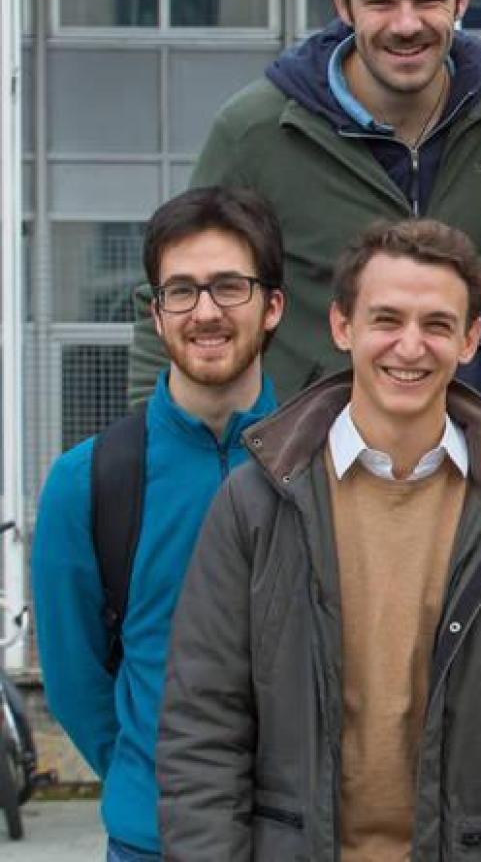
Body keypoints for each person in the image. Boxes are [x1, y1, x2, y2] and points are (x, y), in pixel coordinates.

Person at [157, 219, 481, 859]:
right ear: (343, 327)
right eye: (387, 320)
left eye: (437, 325)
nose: (410, 346)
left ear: (471, 338)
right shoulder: (256, 501)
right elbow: (204, 728)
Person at [128, 0, 481, 404]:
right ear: (343, 5)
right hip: (301, 464)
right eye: (380, 1)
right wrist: (151, 449)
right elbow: (172, 291)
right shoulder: (256, 130)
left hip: (471, 455)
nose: (406, 23)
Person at [33, 187, 285, 862]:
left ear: (273, 307)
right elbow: (73, 680)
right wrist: (142, 780)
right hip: (154, 844)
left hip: (304, 839)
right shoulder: (88, 483)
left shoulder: (325, 464)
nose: (205, 311)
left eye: (229, 286)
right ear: (155, 312)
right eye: (182, 290)